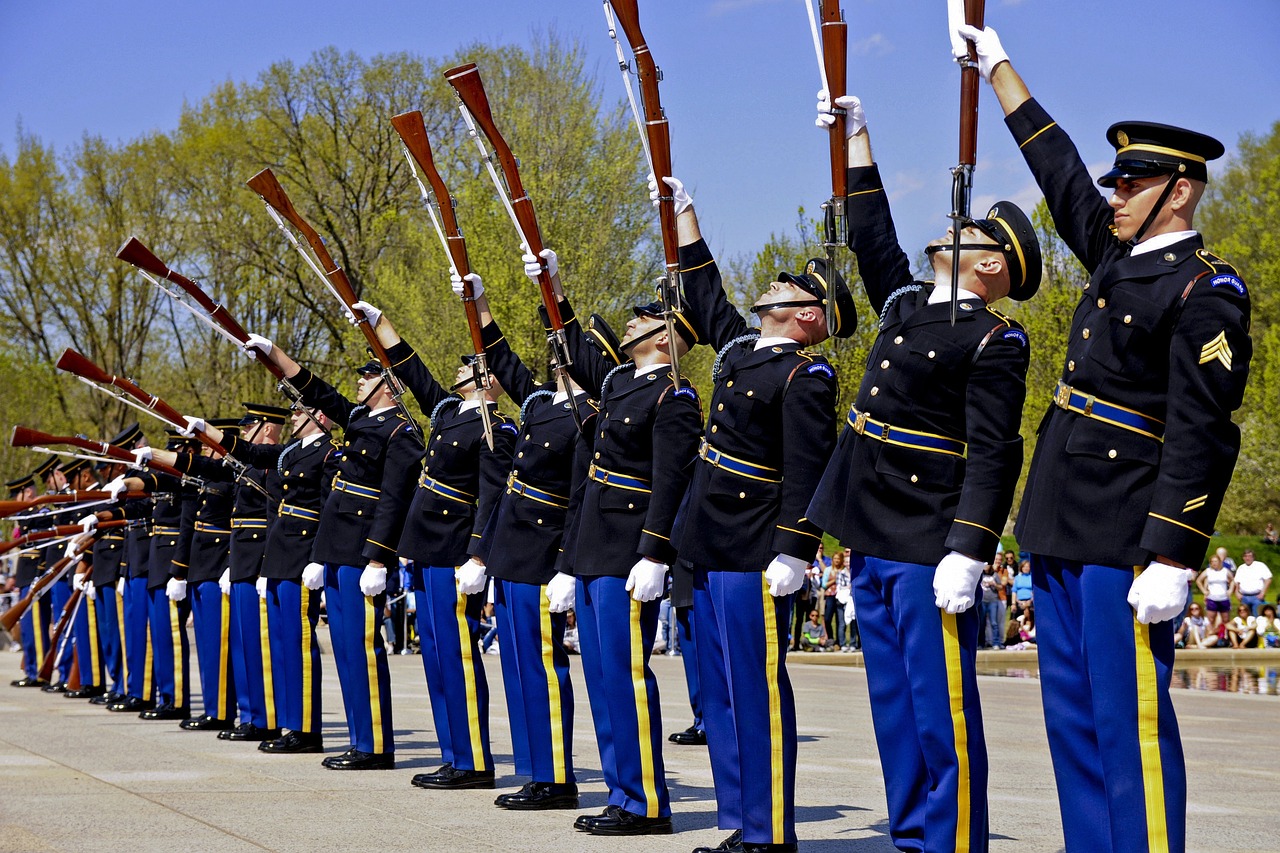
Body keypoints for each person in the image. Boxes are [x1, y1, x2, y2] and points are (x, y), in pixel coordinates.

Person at [964, 21, 1252, 853]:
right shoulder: (1116, 260)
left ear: (1181, 191)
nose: (1113, 195)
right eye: (1116, 182)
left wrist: (1175, 550)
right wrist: (999, 70)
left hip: (1124, 531)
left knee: (1128, 729)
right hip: (1060, 518)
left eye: (1132, 182)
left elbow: (1205, 430)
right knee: (1074, 726)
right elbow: (1056, 173)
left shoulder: (1207, 290)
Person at [808, 86, 1037, 853]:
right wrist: (856, 139)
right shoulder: (910, 306)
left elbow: (997, 449)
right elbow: (874, 237)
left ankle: (951, 842)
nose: (952, 230)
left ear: (994, 265)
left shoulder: (995, 339)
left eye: (970, 232)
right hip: (869, 528)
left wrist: (970, 548)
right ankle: (910, 837)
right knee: (893, 705)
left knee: (939, 711)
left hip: (923, 536)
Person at [659, 160, 853, 853]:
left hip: (752, 547)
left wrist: (797, 550)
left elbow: (810, 468)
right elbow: (705, 287)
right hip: (706, 541)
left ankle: (770, 832)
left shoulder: (806, 374)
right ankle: (739, 822)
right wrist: (684, 212)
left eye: (791, 287)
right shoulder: (745, 349)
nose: (773, 284)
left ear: (808, 314)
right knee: (720, 691)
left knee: (755, 692)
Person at [533, 246, 702, 837]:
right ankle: (621, 792)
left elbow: (672, 481)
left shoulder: (674, 396)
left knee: (627, 677)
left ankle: (646, 802)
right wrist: (552, 288)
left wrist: (655, 552)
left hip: (630, 550)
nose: (629, 323)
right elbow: (587, 479)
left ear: (667, 335)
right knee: (602, 676)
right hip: (592, 548)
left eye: (642, 317)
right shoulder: (621, 383)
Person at [348, 297, 516, 791]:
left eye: (469, 369)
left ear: (487, 380)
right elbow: (413, 374)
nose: (459, 375)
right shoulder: (450, 414)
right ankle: (453, 753)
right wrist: (382, 326)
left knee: (459, 659)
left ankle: (473, 761)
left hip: (453, 551)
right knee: (436, 659)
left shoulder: (495, 426)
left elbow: (491, 493)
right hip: (425, 550)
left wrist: (479, 553)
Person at [243, 335, 425, 770]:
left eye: (368, 377)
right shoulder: (362, 420)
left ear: (388, 385)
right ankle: (362, 739)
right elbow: (317, 391)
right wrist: (274, 355)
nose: (359, 383)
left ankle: (376, 745)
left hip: (362, 554)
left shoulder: (402, 432)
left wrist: (379, 558)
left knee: (362, 649)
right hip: (337, 550)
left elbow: (394, 498)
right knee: (344, 650)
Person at [460, 270, 601, 812]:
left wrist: (566, 562)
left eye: (564, 350)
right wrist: (482, 304)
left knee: (543, 668)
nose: (554, 358)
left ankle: (557, 776)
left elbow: (579, 494)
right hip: (512, 551)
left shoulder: (590, 415)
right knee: (518, 667)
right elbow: (502, 360)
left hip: (545, 554)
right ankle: (535, 769)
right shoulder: (543, 403)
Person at [1197, 555, 1233, 633]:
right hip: (1212, 598)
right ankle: (1210, 634)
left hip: (1223, 598)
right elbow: (1199, 580)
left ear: (1220, 562)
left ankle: (1225, 636)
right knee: (1211, 619)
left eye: (1216, 561)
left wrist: (1230, 590)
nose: (1214, 563)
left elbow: (1232, 580)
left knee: (1225, 619)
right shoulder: (1208, 571)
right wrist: (1204, 591)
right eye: (1212, 562)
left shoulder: (1225, 571)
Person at [1231, 550, 1271, 615]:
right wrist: (1237, 592)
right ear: (1243, 558)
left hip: (1257, 597)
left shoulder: (1260, 565)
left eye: (1249, 556)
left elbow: (1268, 579)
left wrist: (1263, 592)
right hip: (1244, 597)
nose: (1247, 558)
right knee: (1245, 617)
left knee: (1258, 616)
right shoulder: (1241, 568)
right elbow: (1237, 582)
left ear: (1253, 557)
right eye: (1245, 556)